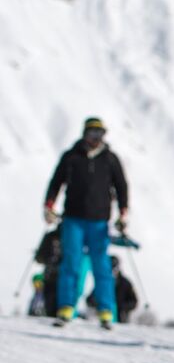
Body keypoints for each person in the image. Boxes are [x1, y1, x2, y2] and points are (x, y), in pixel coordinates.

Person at [43, 116, 129, 329]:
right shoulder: (71, 157)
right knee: (70, 263)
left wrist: (123, 213)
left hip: (99, 221)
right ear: (84, 133)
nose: (96, 138)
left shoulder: (110, 159)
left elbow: (121, 186)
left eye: (100, 134)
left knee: (102, 266)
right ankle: (66, 307)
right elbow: (56, 182)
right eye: (92, 133)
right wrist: (49, 205)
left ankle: (107, 310)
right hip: (73, 218)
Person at [87, 256, 138, 323]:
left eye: (114, 267)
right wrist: (98, 304)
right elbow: (89, 299)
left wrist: (123, 307)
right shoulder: (102, 283)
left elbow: (134, 302)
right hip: (101, 320)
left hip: (121, 320)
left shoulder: (126, 283)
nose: (112, 270)